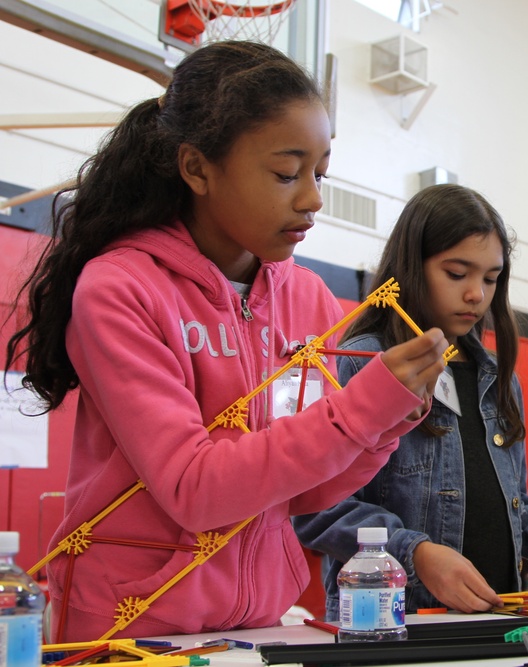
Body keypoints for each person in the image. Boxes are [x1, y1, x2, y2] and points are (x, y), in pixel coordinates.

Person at [2, 41, 448, 641]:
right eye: (288, 173)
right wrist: (359, 412)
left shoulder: (308, 297)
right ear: (197, 168)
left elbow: (306, 491)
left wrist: (382, 426)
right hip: (134, 629)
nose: (313, 198)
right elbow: (195, 489)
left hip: (259, 623)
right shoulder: (121, 287)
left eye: (320, 173)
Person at [293, 184, 528, 617]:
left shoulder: (499, 378)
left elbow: (510, 498)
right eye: (456, 273)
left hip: (497, 618)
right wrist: (417, 554)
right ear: (412, 266)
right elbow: (317, 510)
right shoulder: (361, 363)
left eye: (490, 278)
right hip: (394, 621)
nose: (476, 295)